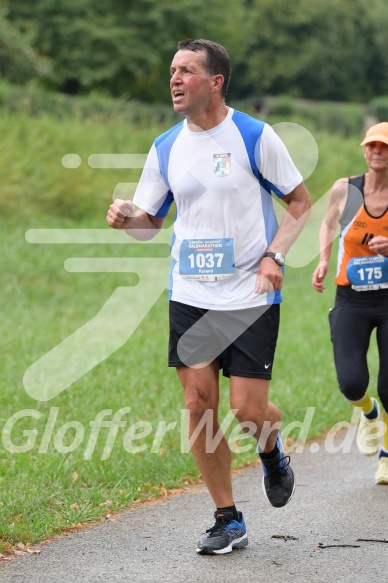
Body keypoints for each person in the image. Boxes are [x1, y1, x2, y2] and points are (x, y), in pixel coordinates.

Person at [107, 38, 311, 554]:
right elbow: (151, 224)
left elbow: (300, 204)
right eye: (172, 70)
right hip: (192, 293)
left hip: (249, 292)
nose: (174, 79)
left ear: (215, 81)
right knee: (198, 404)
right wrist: (126, 218)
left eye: (187, 71)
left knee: (248, 409)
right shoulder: (166, 146)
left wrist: (276, 256)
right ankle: (228, 518)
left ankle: (271, 451)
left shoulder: (253, 135)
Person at [312, 121, 388, 486]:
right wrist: (324, 259)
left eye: (384, 147)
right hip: (351, 299)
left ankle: (385, 458)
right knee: (352, 382)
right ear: (364, 149)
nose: (377, 151)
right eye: (372, 145)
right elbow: (328, 225)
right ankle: (368, 412)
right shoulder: (345, 189)